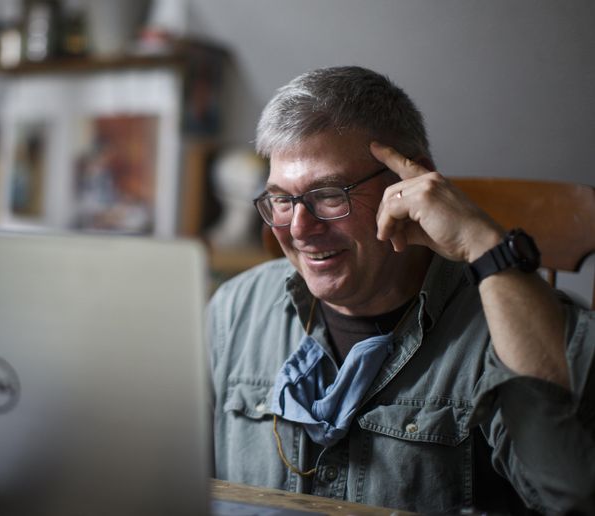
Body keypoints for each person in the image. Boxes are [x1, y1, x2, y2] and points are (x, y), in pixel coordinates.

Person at [208, 66, 595, 514]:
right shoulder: (233, 310)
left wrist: (487, 248)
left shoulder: (536, 330)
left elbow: (572, 497)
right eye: (281, 199)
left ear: (411, 185)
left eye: (330, 194)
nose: (299, 228)